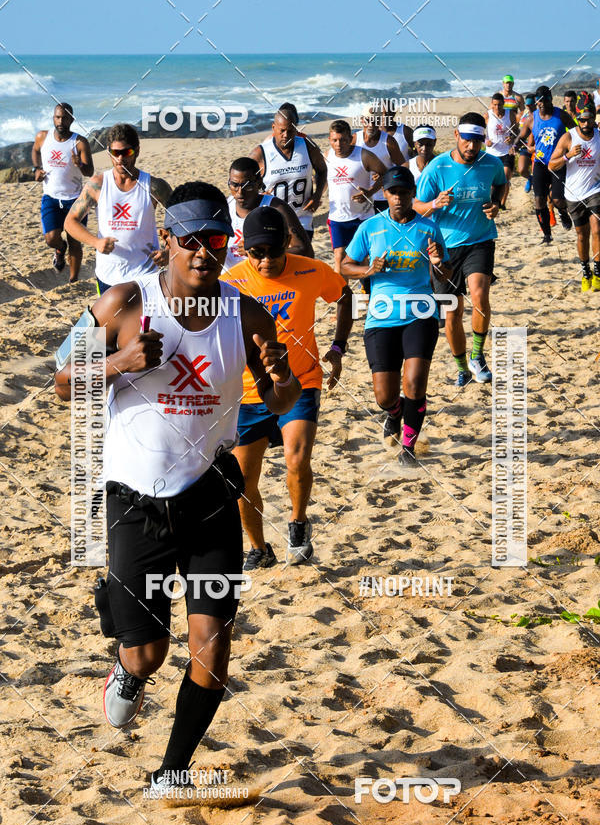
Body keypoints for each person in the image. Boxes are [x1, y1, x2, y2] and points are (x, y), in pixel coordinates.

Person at [54, 181, 301, 790]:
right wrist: (118, 363)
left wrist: (280, 383)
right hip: (135, 501)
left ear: (228, 245)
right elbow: (61, 382)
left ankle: (172, 773)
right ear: (165, 242)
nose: (202, 253)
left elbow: (284, 395)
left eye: (215, 241)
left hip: (211, 497)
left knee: (213, 654)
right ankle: (127, 663)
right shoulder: (121, 303)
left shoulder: (244, 312)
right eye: (189, 241)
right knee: (150, 653)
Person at [221, 206, 353, 570]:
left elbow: (344, 296)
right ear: (243, 247)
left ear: (287, 243)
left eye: (273, 252)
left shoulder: (310, 270)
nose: (265, 261)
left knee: (297, 459)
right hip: (248, 392)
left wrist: (338, 346)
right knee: (243, 481)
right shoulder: (230, 282)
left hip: (301, 381)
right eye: (255, 253)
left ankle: (297, 524)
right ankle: (260, 548)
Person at [341, 166, 451, 464]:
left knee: (414, 384)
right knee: (384, 397)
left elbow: (446, 272)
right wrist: (368, 270)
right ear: (385, 194)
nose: (399, 198)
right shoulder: (370, 228)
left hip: (420, 313)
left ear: (412, 193)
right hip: (380, 317)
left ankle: (408, 449)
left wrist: (439, 263)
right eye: (393, 192)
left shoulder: (428, 228)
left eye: (404, 192)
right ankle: (394, 412)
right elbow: (344, 265)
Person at [414, 112, 506, 387]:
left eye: (478, 141)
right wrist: (434, 204)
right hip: (445, 247)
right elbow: (416, 206)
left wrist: (497, 204)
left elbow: (501, 184)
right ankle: (462, 366)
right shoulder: (437, 168)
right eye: (467, 141)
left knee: (479, 295)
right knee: (452, 311)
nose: (472, 147)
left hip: (480, 239)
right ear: (456, 136)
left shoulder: (491, 164)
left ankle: (478, 357)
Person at [65, 123, 171, 294]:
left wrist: (168, 251)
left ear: (137, 150)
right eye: (115, 153)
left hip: (144, 276)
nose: (120, 158)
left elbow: (182, 221)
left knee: (143, 322)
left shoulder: (154, 186)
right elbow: (70, 222)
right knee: (109, 322)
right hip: (107, 277)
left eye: (126, 152)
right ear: (109, 152)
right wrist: (96, 242)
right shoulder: (97, 184)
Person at [32, 103, 93, 282]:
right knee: (51, 238)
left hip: (75, 200)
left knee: (76, 242)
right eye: (58, 117)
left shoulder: (80, 142)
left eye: (65, 117)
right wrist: (36, 169)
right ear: (53, 118)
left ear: (71, 120)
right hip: (50, 198)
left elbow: (89, 172)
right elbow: (35, 151)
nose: (61, 121)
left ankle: (73, 280)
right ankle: (59, 248)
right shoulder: (42, 137)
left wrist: (79, 164)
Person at [250, 104, 327, 242]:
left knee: (302, 260)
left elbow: (322, 170)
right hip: (272, 222)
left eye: (290, 131)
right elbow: (244, 182)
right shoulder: (261, 152)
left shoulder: (307, 145)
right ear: (274, 128)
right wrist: (258, 194)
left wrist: (317, 195)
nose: (286, 135)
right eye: (282, 131)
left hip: (302, 219)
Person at [549, 92, 600, 291]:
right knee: (582, 235)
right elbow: (551, 166)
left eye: (589, 119)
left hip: (595, 190)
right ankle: (585, 271)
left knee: (597, 229)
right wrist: (568, 156)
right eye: (581, 119)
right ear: (577, 118)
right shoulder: (569, 137)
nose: (585, 123)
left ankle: (597, 271)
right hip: (573, 194)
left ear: (594, 117)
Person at [225, 156, 312, 271]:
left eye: (248, 186)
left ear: (259, 183)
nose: (240, 192)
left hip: (261, 281)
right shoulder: (224, 206)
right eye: (235, 185)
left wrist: (258, 253)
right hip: (229, 280)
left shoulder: (277, 208)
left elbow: (304, 250)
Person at [326, 119, 386, 275]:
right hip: (337, 217)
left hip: (363, 216)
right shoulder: (327, 156)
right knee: (339, 257)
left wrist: (371, 192)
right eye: (335, 140)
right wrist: (317, 194)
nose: (339, 144)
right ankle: (343, 296)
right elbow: (321, 178)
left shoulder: (364, 155)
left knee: (363, 259)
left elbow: (385, 174)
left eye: (343, 140)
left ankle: (365, 293)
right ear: (330, 140)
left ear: (350, 138)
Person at [518, 85, 574, 244]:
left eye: (543, 101)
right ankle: (547, 235)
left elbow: (575, 131)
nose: (540, 104)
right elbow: (522, 136)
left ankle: (563, 213)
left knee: (557, 200)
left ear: (550, 100)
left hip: (557, 163)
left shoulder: (560, 115)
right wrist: (514, 145)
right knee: (539, 200)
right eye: (538, 102)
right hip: (540, 164)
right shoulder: (532, 118)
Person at [353, 107, 405, 211]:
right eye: (368, 120)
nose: (371, 125)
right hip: (361, 197)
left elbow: (403, 168)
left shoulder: (389, 141)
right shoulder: (354, 139)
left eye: (375, 121)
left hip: (383, 197)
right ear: (362, 120)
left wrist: (387, 174)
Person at [485, 94, 517, 209]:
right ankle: (495, 201)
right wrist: (486, 140)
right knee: (493, 180)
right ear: (491, 105)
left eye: (499, 105)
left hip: (507, 151)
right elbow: (481, 133)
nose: (497, 107)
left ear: (503, 104)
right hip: (492, 152)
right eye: (494, 105)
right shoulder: (488, 115)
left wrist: (512, 138)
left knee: (505, 178)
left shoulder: (510, 115)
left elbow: (516, 131)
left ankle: (502, 203)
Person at [516, 94, 536, 192]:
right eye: (527, 105)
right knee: (521, 169)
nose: (529, 107)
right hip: (525, 146)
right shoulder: (522, 115)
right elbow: (516, 131)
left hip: (538, 147)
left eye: (531, 104)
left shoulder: (541, 115)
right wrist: (514, 142)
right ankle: (530, 178)